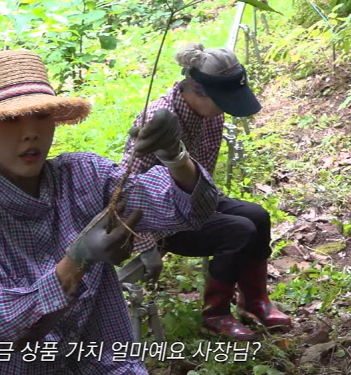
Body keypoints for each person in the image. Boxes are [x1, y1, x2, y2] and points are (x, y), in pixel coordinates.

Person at [0, 49, 220, 375]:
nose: (30, 133)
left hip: (105, 373)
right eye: (9, 120)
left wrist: (175, 156)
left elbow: (187, 209)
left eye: (40, 115)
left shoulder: (84, 175)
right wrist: (76, 260)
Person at [120, 42, 291, 341]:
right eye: (223, 100)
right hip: (160, 217)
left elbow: (205, 175)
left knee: (258, 216)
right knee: (237, 230)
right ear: (197, 91)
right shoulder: (157, 120)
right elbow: (127, 186)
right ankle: (215, 315)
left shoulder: (212, 114)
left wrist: (207, 202)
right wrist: (147, 245)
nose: (225, 109)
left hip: (198, 198)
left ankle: (254, 302)